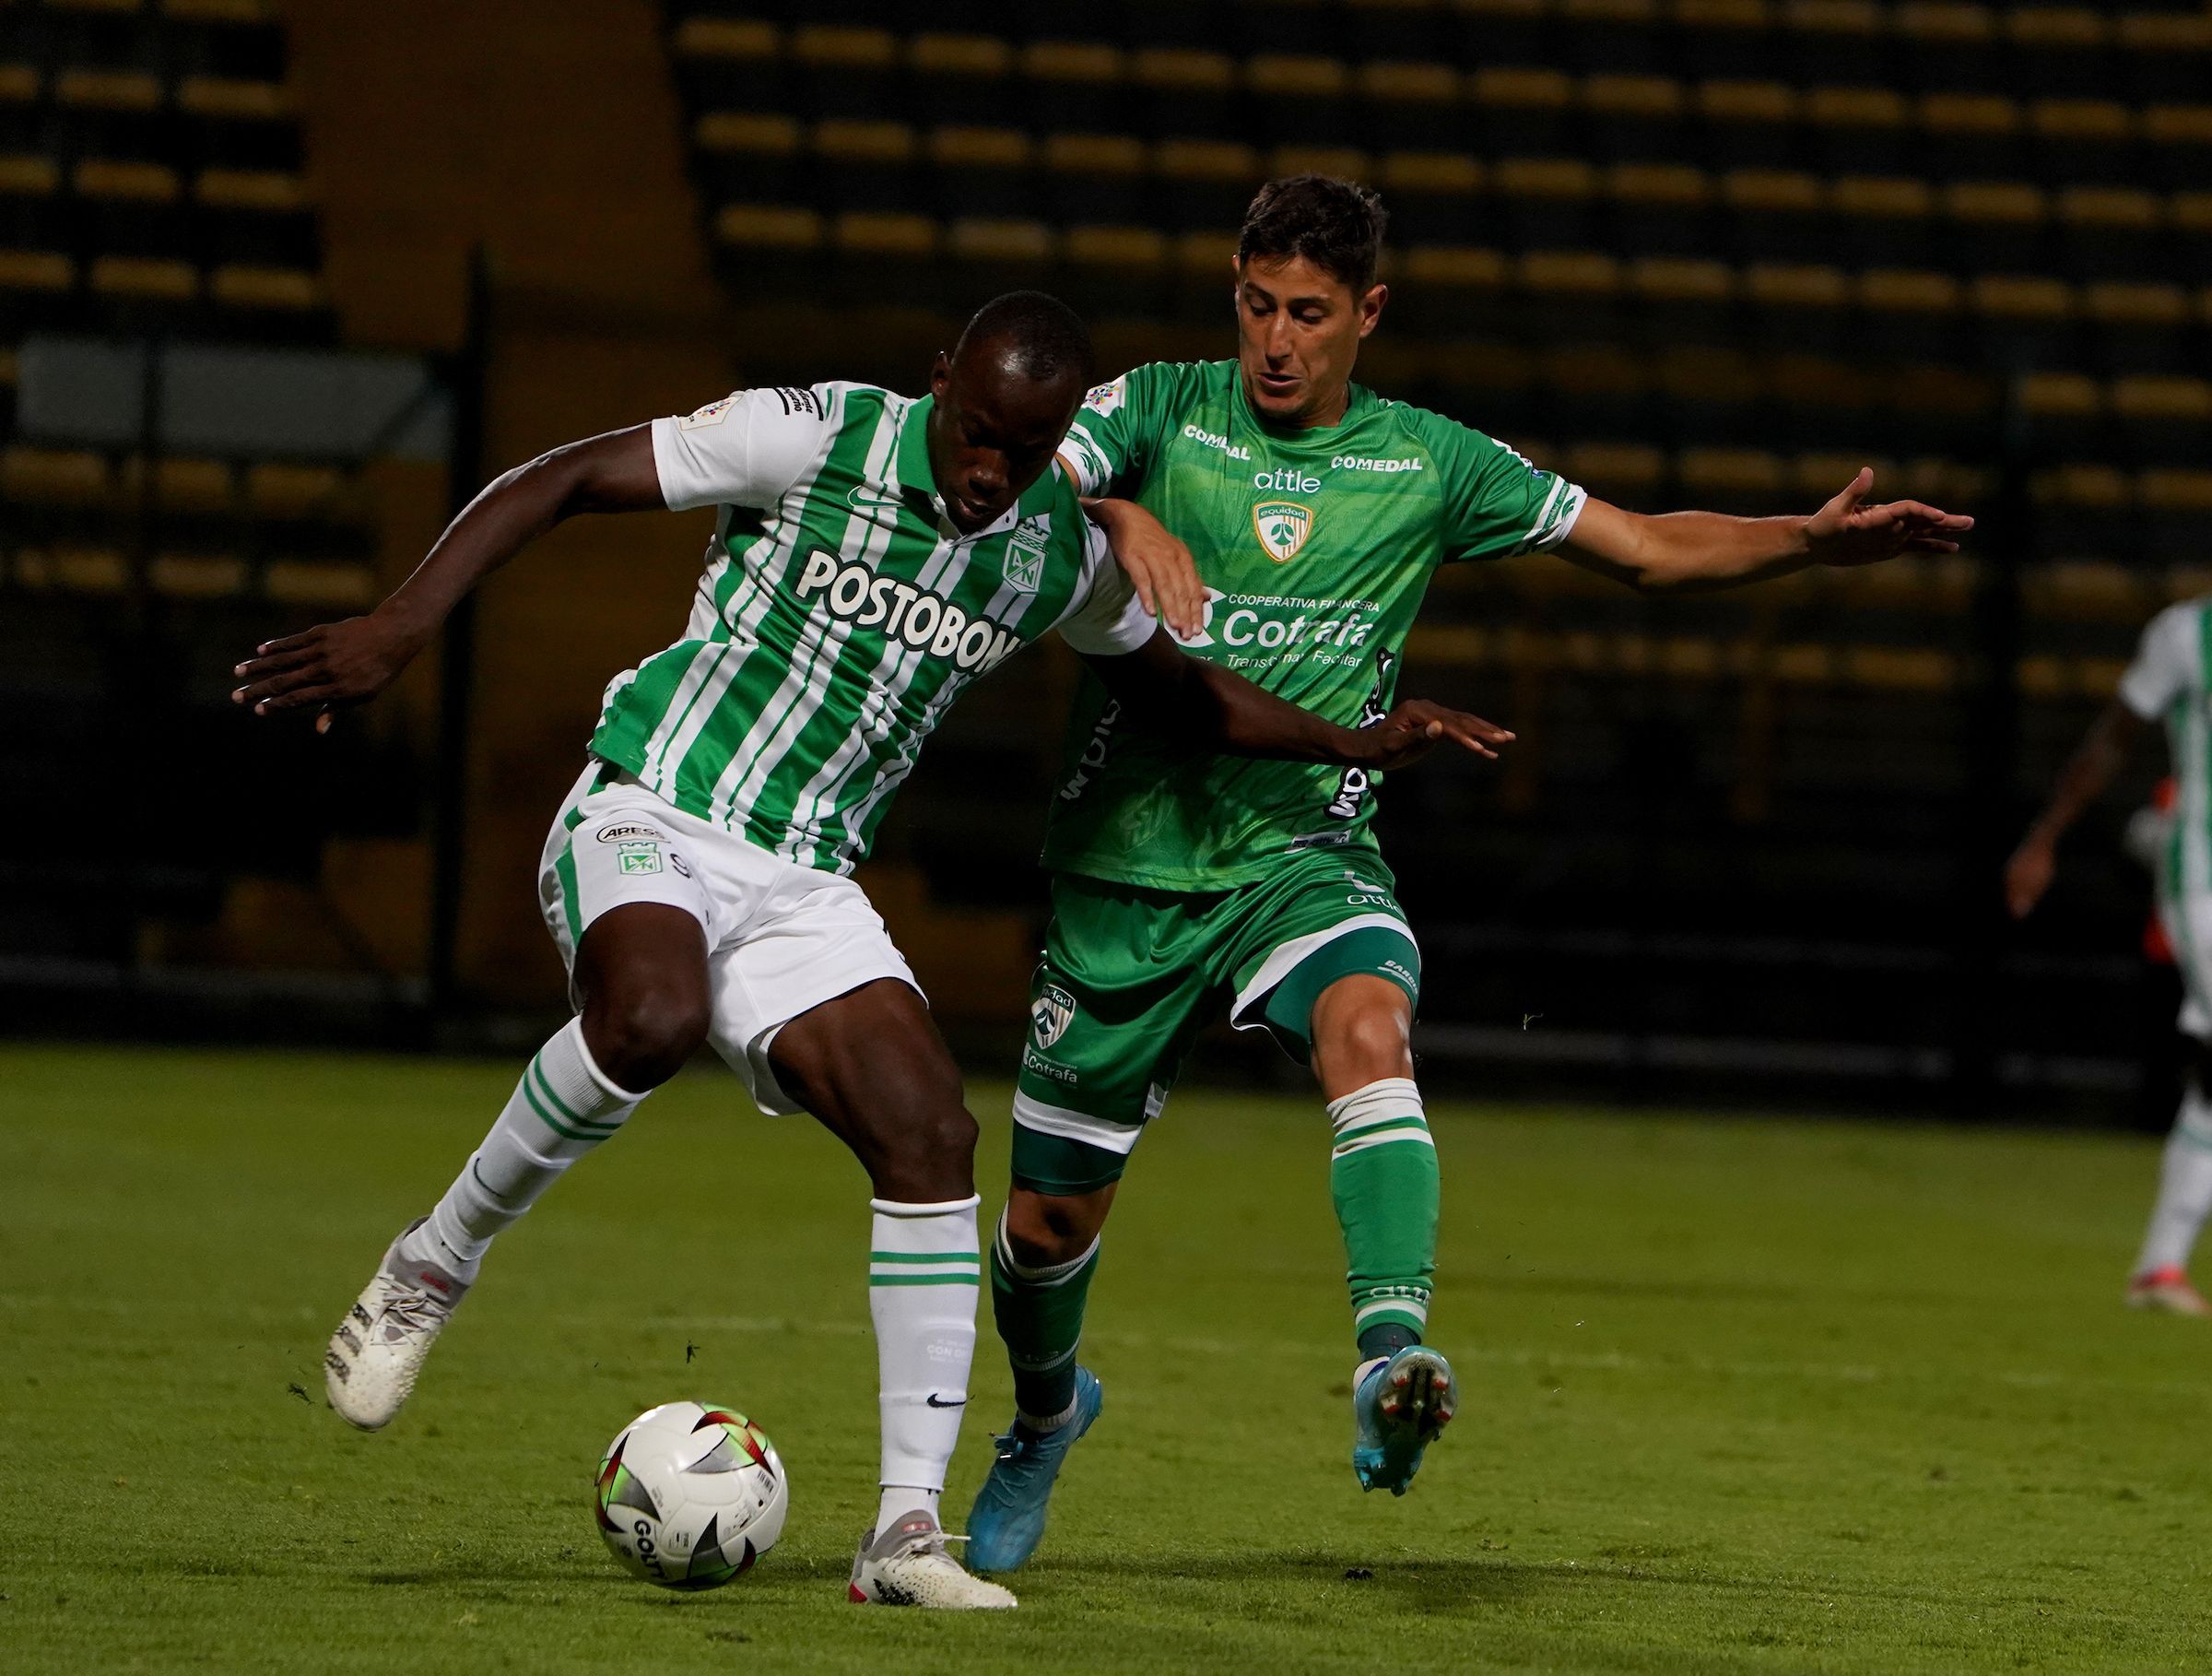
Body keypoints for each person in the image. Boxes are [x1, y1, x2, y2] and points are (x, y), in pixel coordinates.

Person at [230, 290, 1510, 1610]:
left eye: (1024, 450)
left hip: (804, 884)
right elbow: (559, 478)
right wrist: (400, 625)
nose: (987, 470)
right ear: (939, 381)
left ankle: (903, 1532)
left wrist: (1351, 741)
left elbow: (1182, 696)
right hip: (656, 805)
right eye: (975, 432)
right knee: (650, 1018)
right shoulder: (812, 436)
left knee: (932, 1135)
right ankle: (427, 1268)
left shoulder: (1051, 551)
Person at [966, 178, 1974, 1574]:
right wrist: (1114, 518)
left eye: (1310, 314)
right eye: (1257, 303)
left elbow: (1642, 547)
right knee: (1044, 1228)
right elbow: (1015, 472)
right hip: (1125, 868)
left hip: (1306, 850)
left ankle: (1392, 1358)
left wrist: (1804, 541)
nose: (1277, 340)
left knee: (1371, 1029)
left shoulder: (1430, 460)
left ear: (1367, 314)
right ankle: (1040, 1418)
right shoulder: (1159, 405)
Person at [2007, 601, 2212, 1316]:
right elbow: (2112, 739)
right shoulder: (2188, 636)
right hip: (2203, 882)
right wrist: (2045, 837)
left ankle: (2159, 1269)